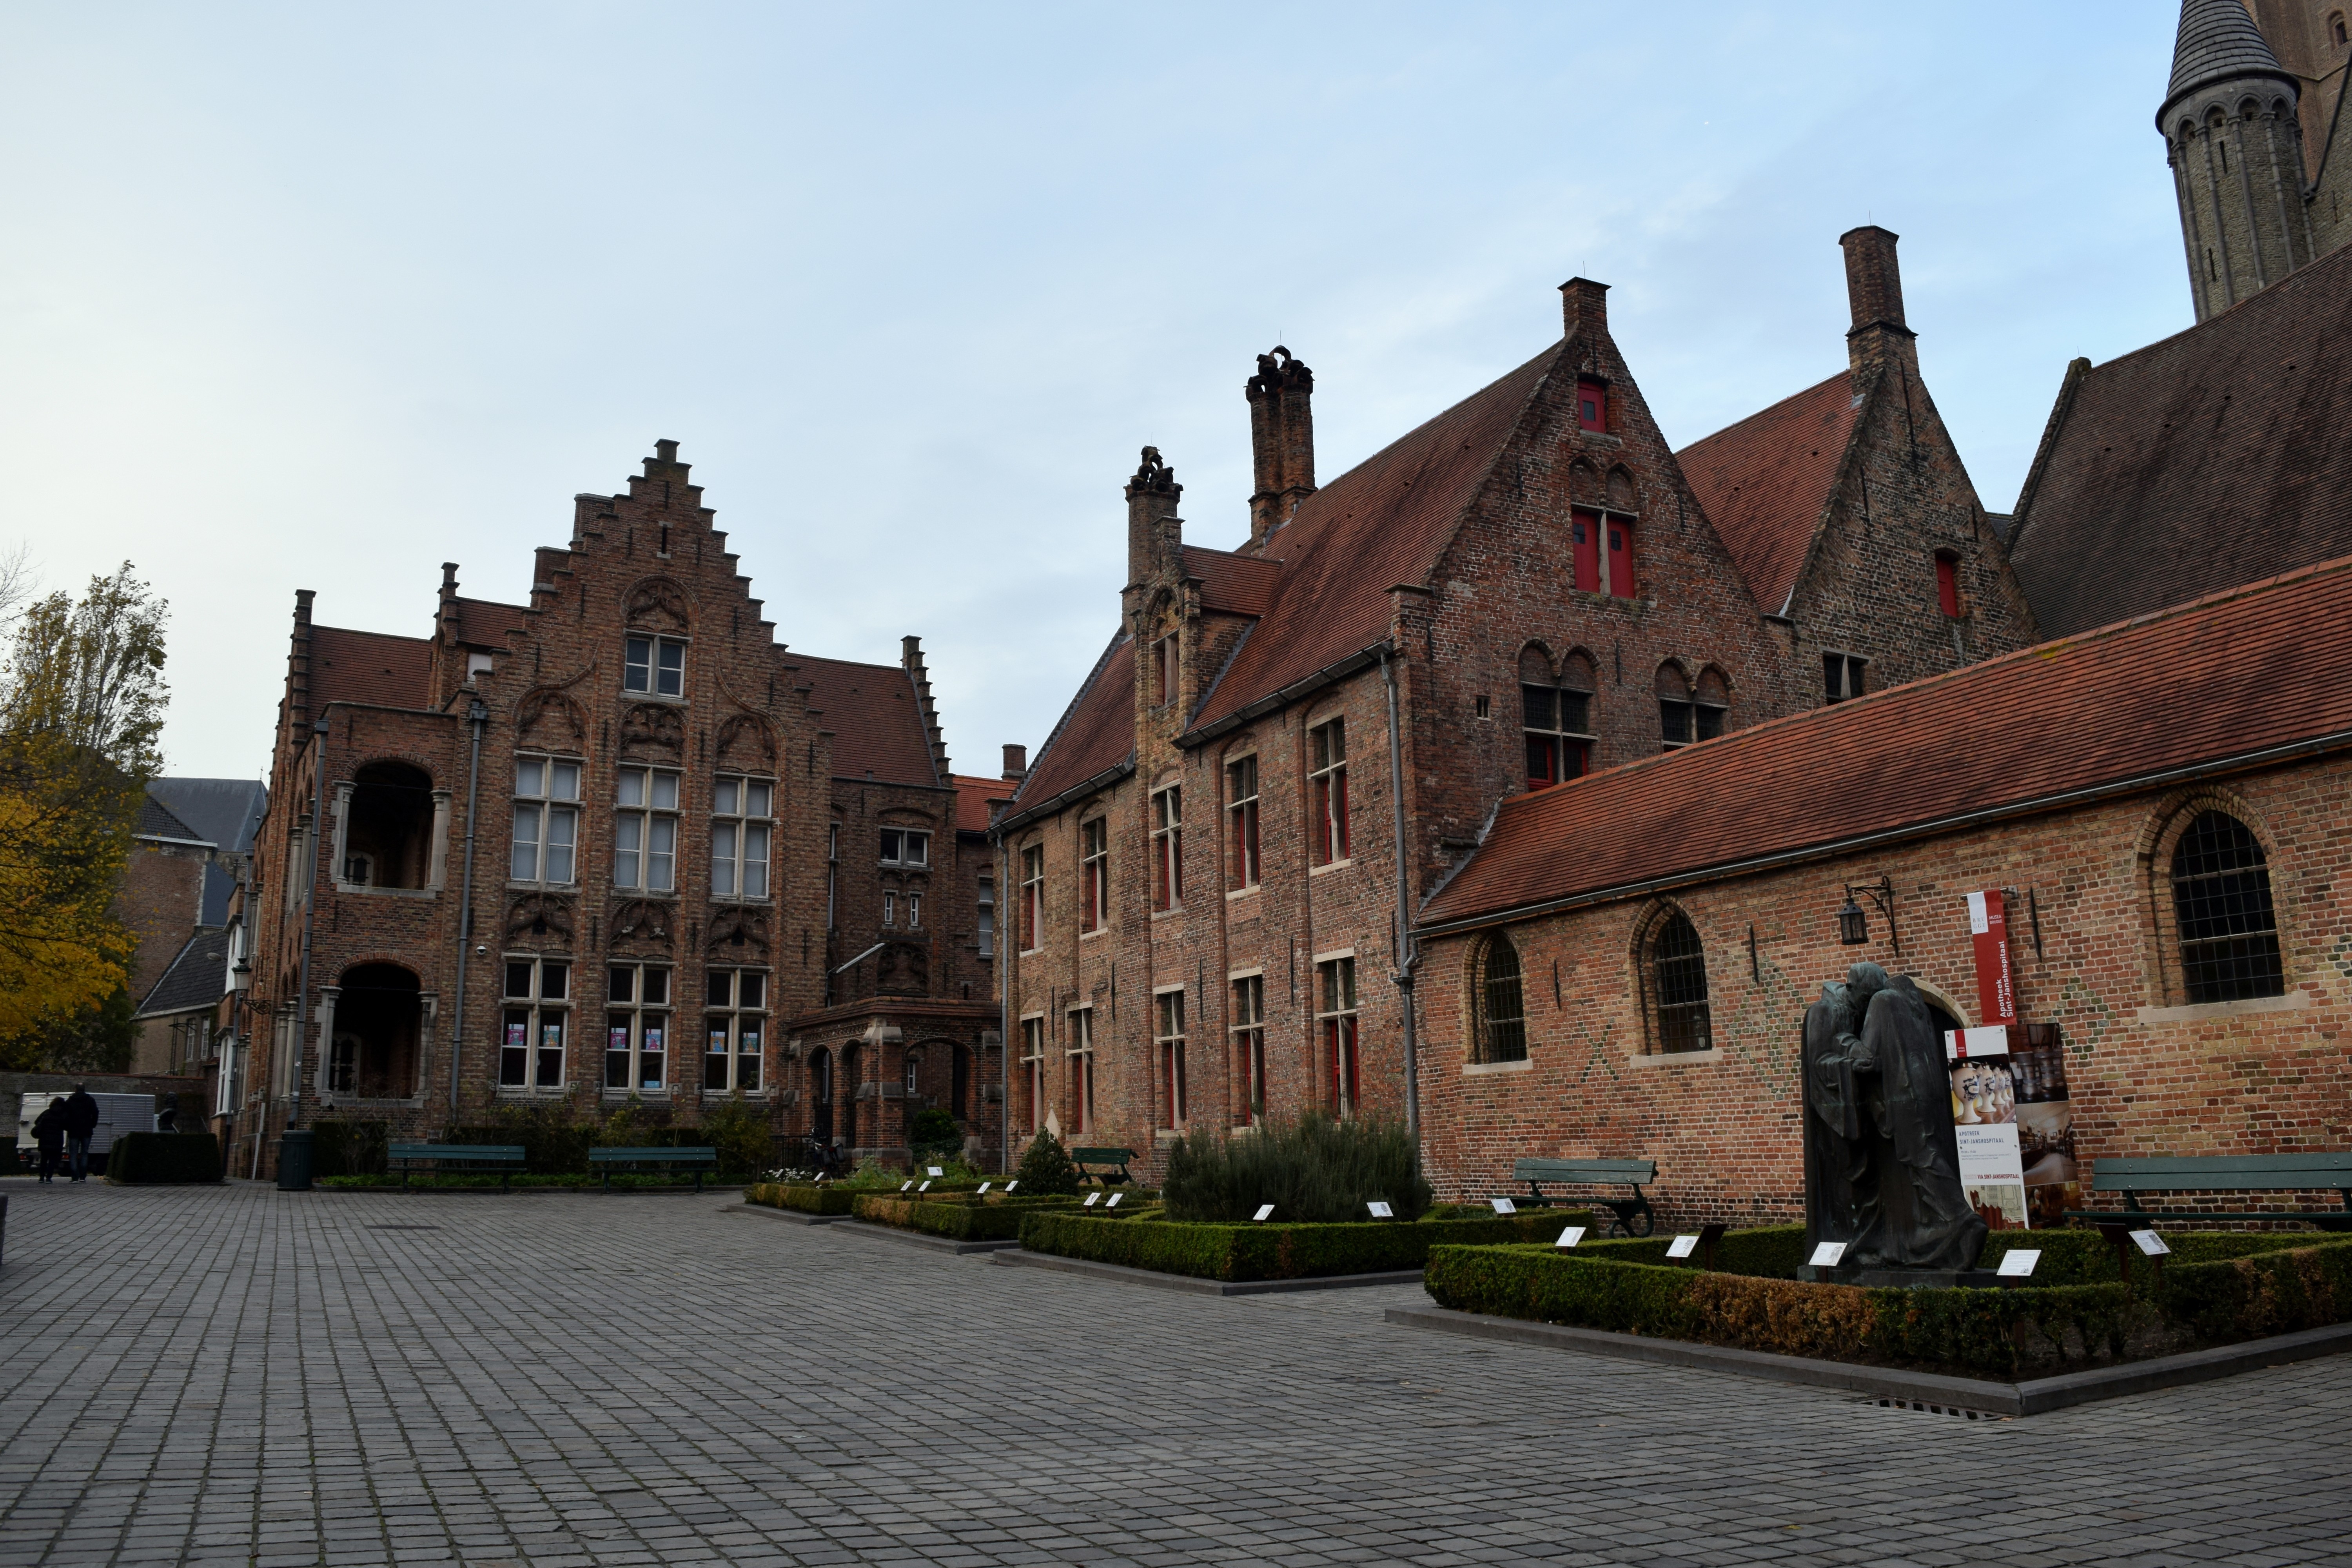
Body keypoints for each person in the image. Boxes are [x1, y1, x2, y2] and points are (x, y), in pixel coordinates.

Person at [62, 1083, 100, 1182]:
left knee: (73, 1153)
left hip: (74, 1130)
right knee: (85, 1153)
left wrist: (67, 1127)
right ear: (84, 1090)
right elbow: (96, 1113)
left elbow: (65, 1116)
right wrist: (92, 1124)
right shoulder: (90, 1100)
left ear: (75, 1090)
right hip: (87, 1130)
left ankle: (75, 1177)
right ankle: (83, 1176)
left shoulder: (70, 1101)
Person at [32, 1097, 67, 1183]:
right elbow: (66, 1126)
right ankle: (49, 1178)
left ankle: (41, 1177)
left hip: (45, 1139)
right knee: (53, 1160)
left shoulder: (47, 1113)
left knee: (44, 1159)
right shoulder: (63, 1115)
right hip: (56, 1140)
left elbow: (37, 1122)